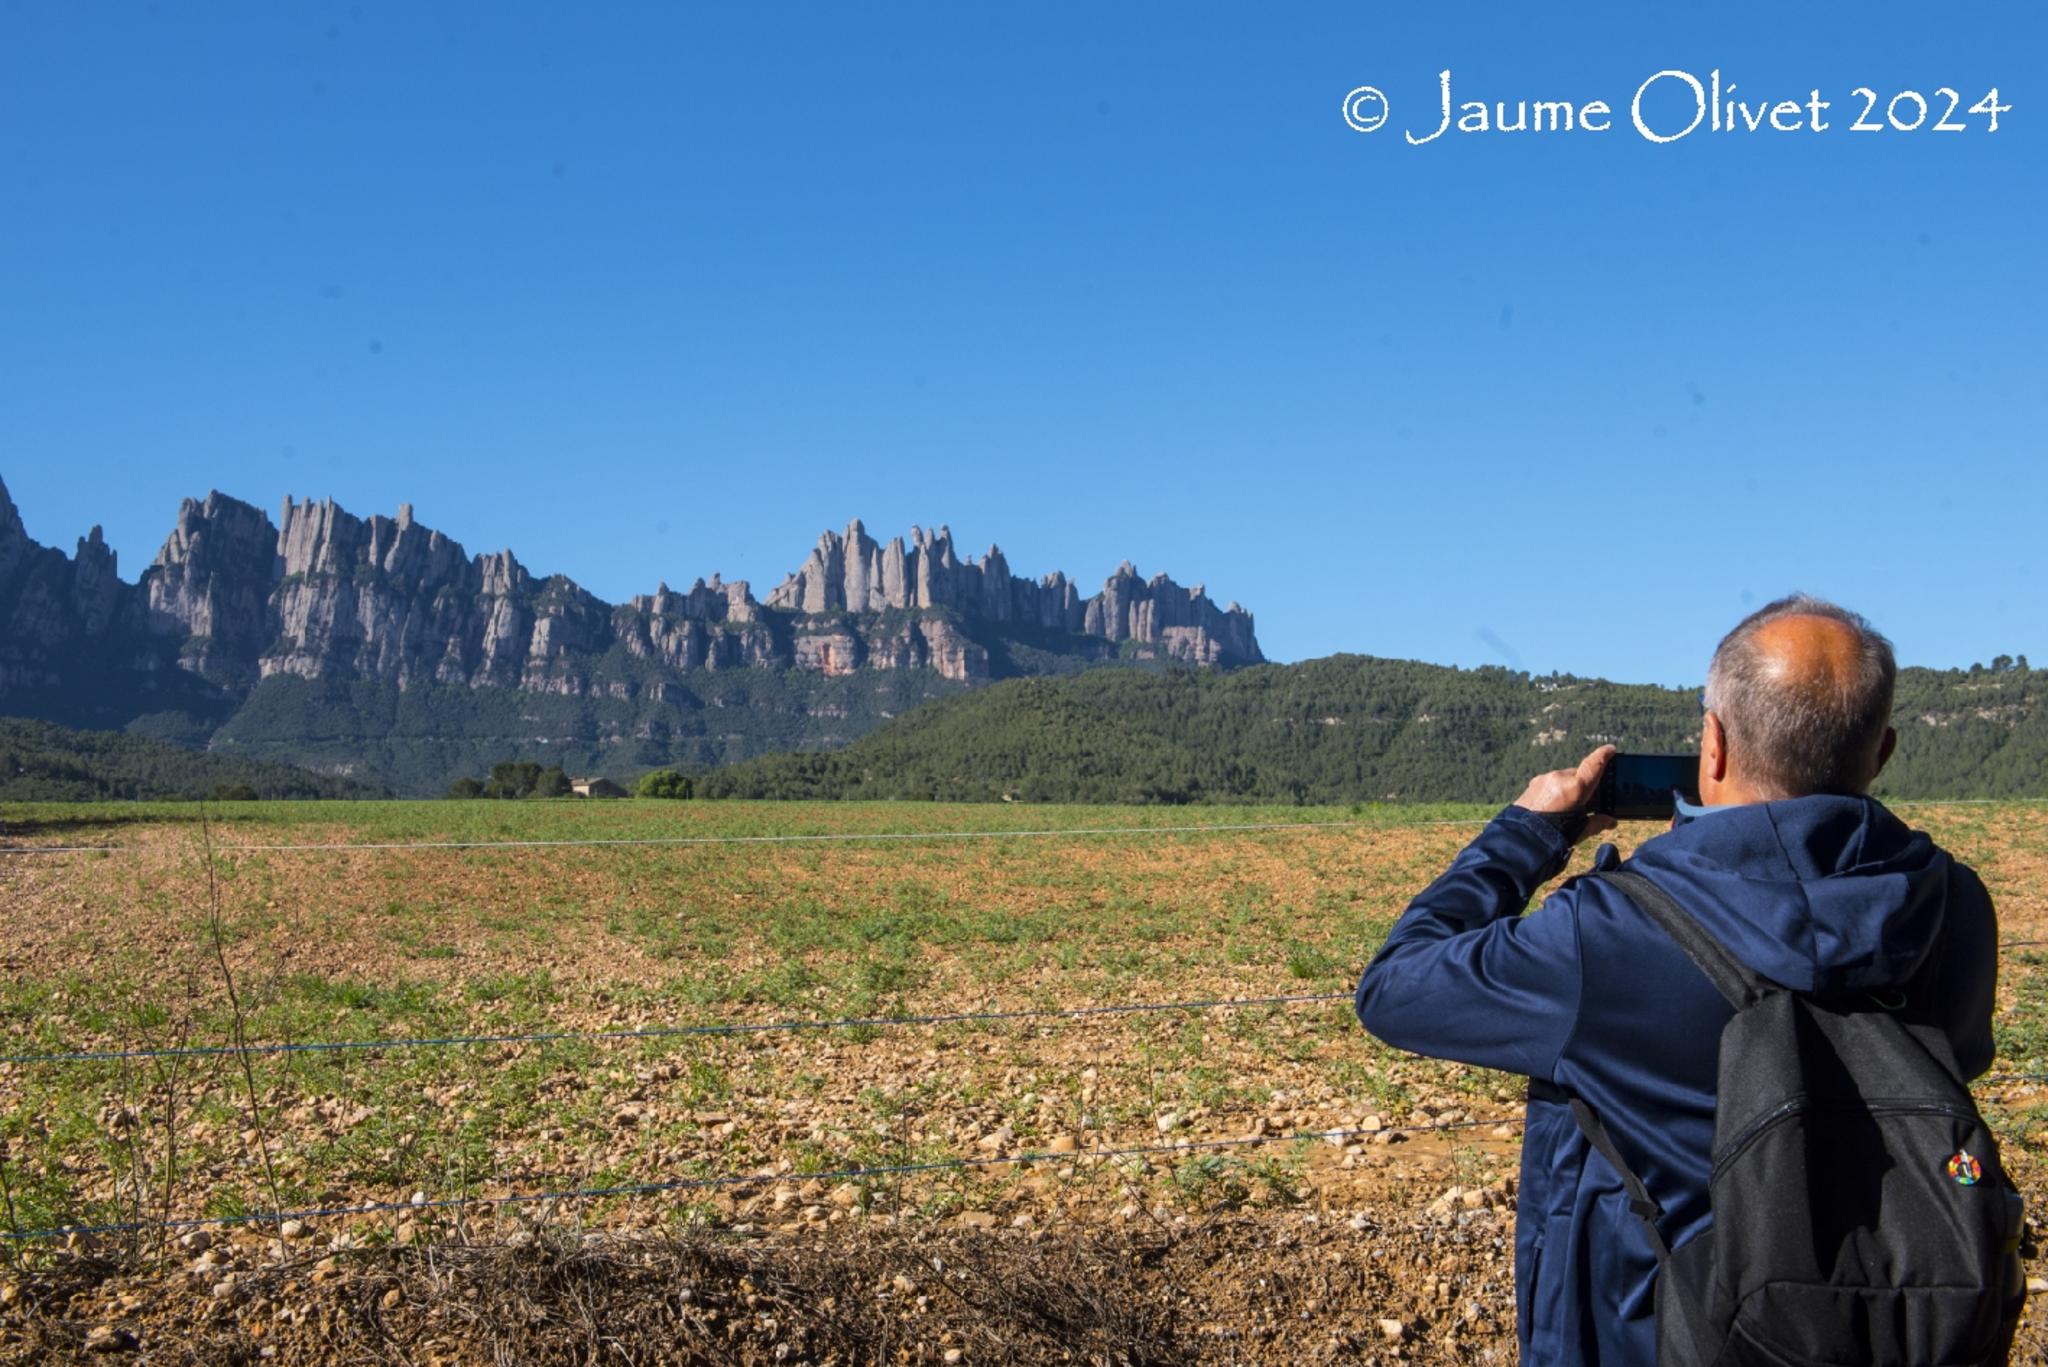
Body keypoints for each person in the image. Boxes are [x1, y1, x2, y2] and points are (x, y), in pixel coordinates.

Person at [1353, 595, 1998, 1365]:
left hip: (1655, 1331)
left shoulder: (1613, 934)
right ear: (1883, 750)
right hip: (1889, 1320)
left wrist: (1526, 832)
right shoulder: (1956, 906)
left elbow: (1395, 986)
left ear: (1713, 746)